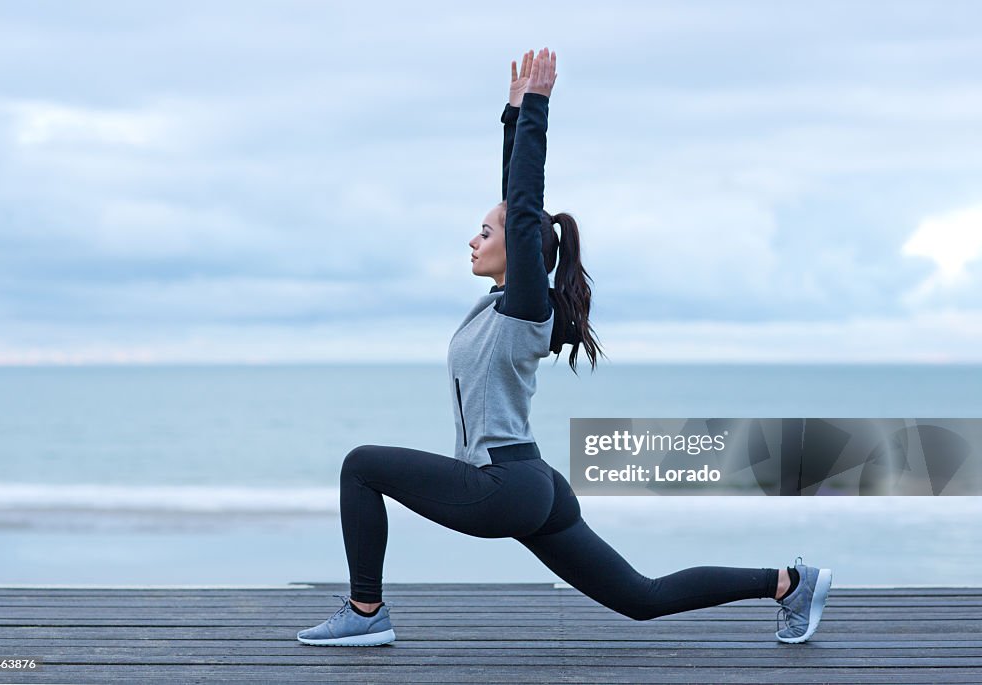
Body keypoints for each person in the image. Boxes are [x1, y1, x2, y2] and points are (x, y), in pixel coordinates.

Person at [297, 48, 831, 647]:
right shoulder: (503, 304)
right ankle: (788, 583)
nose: (472, 240)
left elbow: (523, 210)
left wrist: (538, 111)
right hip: (533, 482)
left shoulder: (529, 308)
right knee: (640, 597)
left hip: (504, 487)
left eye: (484, 232)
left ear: (520, 251)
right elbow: (517, 208)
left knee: (360, 466)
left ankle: (366, 612)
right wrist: (513, 112)